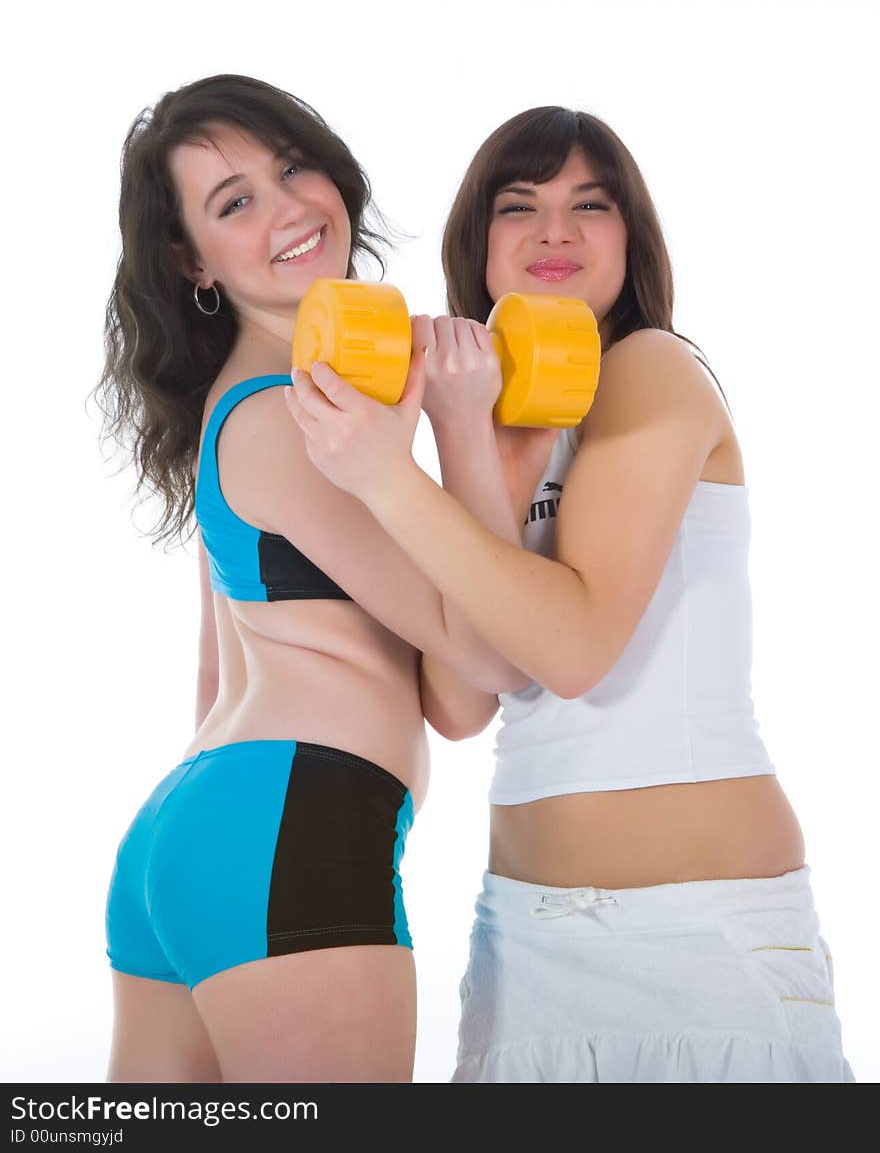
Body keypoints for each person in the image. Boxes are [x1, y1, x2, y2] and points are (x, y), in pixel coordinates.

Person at [284, 106, 854, 1083]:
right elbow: (463, 700)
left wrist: (385, 479)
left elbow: (578, 648)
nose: (555, 229)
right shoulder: (505, 417)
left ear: (629, 246)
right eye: (521, 205)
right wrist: (464, 437)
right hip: (525, 945)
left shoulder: (651, 368)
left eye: (590, 206)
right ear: (479, 245)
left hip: (696, 934)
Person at [96, 73, 524, 1084]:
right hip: (293, 826)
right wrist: (463, 425)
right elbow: (497, 646)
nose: (287, 207)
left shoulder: (247, 411)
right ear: (189, 259)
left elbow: (456, 700)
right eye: (234, 202)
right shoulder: (291, 423)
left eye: (291, 166)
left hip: (191, 833)